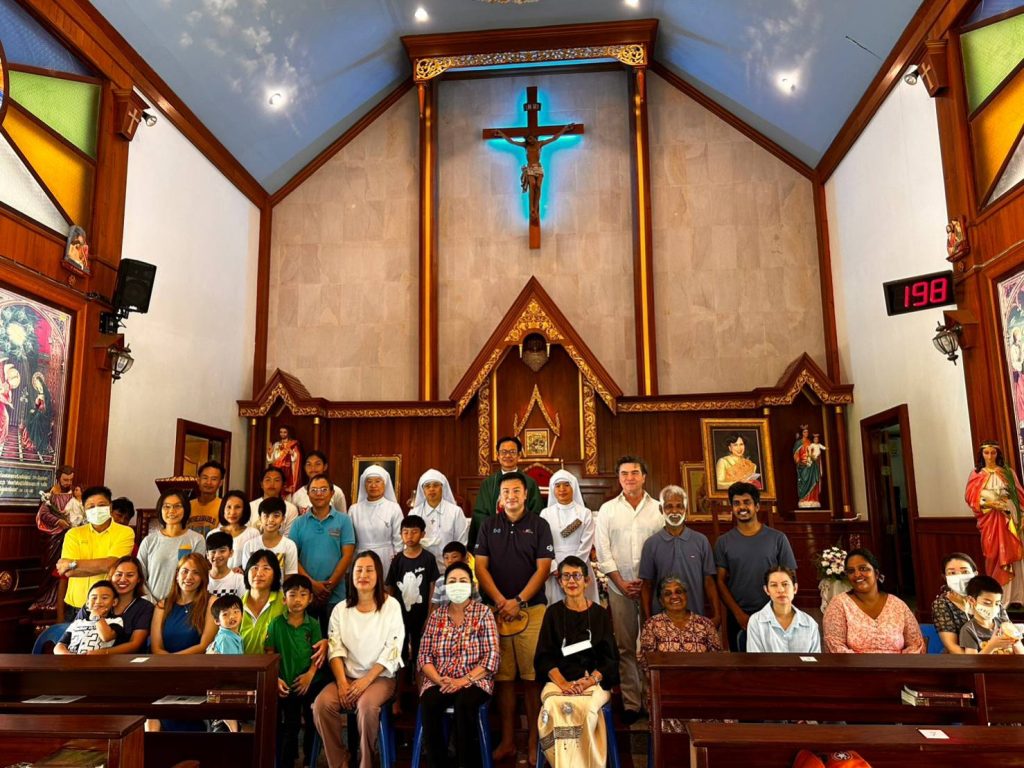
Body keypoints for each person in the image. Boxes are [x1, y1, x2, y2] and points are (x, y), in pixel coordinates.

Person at [475, 471, 554, 763]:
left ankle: (534, 742)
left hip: (532, 610)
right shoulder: (488, 525)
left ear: (526, 495)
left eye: (516, 491)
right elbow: (480, 567)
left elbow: (543, 568)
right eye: (506, 491)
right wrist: (500, 601)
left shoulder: (539, 525)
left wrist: (518, 601)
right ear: (500, 496)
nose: (511, 496)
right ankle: (508, 741)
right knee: (504, 679)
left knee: (532, 679)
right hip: (497, 612)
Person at [313, 551, 404, 768]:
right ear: (351, 575)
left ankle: (366, 762)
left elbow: (393, 649)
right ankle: (340, 761)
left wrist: (366, 681)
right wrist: (342, 683)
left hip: (380, 677)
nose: (363, 575)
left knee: (366, 707)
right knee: (322, 705)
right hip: (347, 677)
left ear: (378, 574)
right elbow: (335, 649)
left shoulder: (391, 606)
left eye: (369, 570)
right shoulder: (340, 609)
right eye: (359, 570)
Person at [594, 455, 662, 724]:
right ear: (619, 478)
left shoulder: (658, 509)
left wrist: (647, 582)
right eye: (624, 473)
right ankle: (632, 703)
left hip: (652, 588)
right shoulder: (608, 510)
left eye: (635, 472)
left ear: (644, 476)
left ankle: (652, 700)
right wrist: (620, 582)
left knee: (653, 644)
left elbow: (663, 547)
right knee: (625, 646)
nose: (630, 478)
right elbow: (603, 551)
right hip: (618, 586)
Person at [534, 556, 619, 768]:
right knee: (553, 706)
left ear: (586, 581)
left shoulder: (599, 614)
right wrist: (564, 684)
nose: (571, 581)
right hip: (559, 681)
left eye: (577, 576)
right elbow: (543, 657)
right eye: (566, 576)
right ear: (560, 582)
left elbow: (610, 659)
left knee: (586, 708)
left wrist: (589, 681)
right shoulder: (552, 613)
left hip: (593, 682)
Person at [417, 561, 499, 768]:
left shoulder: (484, 613)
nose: (457, 585)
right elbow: (424, 656)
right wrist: (438, 680)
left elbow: (491, 656)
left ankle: (467, 763)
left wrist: (463, 681)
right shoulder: (436, 616)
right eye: (452, 581)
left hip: (475, 680)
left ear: (471, 585)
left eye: (462, 581)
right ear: (445, 586)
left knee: (465, 703)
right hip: (441, 679)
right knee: (429, 702)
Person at [714, 481, 797, 650]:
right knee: (741, 663)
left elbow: (790, 577)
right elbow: (720, 582)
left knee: (774, 662)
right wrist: (738, 614)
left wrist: (778, 611)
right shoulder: (723, 542)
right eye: (736, 503)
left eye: (747, 502)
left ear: (757, 506)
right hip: (738, 616)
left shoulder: (778, 538)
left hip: (775, 614)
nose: (742, 507)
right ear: (732, 508)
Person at [266, 574, 329, 766]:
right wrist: (276, 678)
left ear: (310, 598)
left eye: (303, 595)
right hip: (287, 683)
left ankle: (310, 760)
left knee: (311, 723)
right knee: (290, 725)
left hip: (311, 682)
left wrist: (310, 675)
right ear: (284, 599)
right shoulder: (276, 624)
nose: (298, 600)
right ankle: (288, 761)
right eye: (292, 595)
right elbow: (270, 653)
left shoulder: (314, 624)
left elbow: (318, 654)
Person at [638, 578, 722, 712]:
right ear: (661, 601)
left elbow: (717, 660)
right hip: (666, 690)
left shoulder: (705, 624)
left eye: (679, 592)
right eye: (668, 594)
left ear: (686, 595)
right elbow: (646, 663)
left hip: (702, 688)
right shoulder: (652, 625)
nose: (674, 596)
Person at [639, 485, 719, 624]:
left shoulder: (701, 541)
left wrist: (717, 614)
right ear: (661, 509)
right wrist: (647, 619)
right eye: (669, 506)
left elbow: (709, 582)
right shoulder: (651, 544)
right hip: (662, 622)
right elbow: (646, 586)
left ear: (685, 509)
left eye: (679, 506)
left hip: (695, 618)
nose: (674, 511)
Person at [289, 473, 356, 634]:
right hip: (305, 592)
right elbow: (292, 557)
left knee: (334, 638)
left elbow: (347, 555)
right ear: (308, 494)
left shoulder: (344, 520)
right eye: (314, 490)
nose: (319, 494)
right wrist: (312, 584)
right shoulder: (298, 523)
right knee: (305, 638)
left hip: (335, 593)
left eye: (323, 489)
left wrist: (328, 587)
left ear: (332, 493)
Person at [823, 548, 925, 654]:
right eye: (851, 571)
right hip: (854, 664)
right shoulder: (839, 604)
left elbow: (916, 644)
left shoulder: (897, 605)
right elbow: (834, 645)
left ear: (876, 573)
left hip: (897, 664)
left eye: (863, 568)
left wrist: (899, 663)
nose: (857, 574)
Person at [57, 486, 135, 614]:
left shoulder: (125, 532)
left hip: (108, 607)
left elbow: (112, 564)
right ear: (84, 509)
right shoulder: (73, 534)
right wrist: (103, 565)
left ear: (110, 506)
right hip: (76, 607)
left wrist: (73, 564)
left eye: (101, 505)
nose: (96, 510)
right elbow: (68, 572)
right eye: (91, 506)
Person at [965, 441, 1024, 604]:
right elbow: (971, 499)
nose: (990, 456)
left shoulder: (1008, 473)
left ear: (998, 454)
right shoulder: (977, 474)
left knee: (1014, 555)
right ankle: (998, 598)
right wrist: (990, 503)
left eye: (993, 452)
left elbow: (1019, 495)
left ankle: (1017, 596)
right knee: (993, 555)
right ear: (982, 455)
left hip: (1009, 517)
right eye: (987, 453)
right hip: (990, 520)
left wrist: (1021, 515)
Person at [385, 515, 439, 680]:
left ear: (423, 534)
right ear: (400, 534)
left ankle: (419, 682)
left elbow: (432, 586)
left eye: (414, 532)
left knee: (420, 648)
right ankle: (400, 685)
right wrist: (388, 613)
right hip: (400, 615)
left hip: (422, 614)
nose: (409, 536)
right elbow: (390, 587)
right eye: (405, 532)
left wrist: (430, 613)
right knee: (400, 649)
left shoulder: (428, 558)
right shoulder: (398, 560)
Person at [471, 436, 543, 546]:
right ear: (498, 455)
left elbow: (536, 511)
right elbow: (480, 513)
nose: (508, 455)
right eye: (504, 452)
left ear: (519, 455)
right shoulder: (488, 483)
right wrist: (494, 530)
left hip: (522, 537)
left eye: (512, 452)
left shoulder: (529, 483)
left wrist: (518, 530)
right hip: (493, 538)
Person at [31, 465, 82, 618]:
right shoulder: (49, 494)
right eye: (65, 480)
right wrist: (58, 521)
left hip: (69, 537)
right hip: (53, 537)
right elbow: (44, 514)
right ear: (58, 478)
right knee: (49, 568)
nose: (68, 483)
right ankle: (44, 599)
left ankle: (58, 602)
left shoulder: (74, 495)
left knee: (63, 569)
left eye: (71, 480)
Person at [540, 469, 597, 604]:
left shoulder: (585, 513)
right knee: (556, 606)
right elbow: (543, 544)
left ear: (574, 487)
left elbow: (586, 544)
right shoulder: (545, 514)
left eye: (566, 485)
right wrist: (555, 568)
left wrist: (575, 569)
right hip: (554, 567)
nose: (562, 489)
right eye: (558, 486)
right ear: (552, 489)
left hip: (580, 565)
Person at [138, 490, 206, 601]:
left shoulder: (197, 540)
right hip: (151, 604)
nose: (171, 511)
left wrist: (180, 603)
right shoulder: (149, 541)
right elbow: (139, 577)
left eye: (177, 506)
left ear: (186, 509)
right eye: (166, 506)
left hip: (183, 604)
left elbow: (196, 576)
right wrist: (152, 603)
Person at [150, 553, 217, 654]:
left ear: (203, 578)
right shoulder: (162, 606)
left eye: (196, 573)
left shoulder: (211, 602)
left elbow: (204, 646)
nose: (189, 577)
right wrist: (171, 662)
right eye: (185, 571)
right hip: (165, 662)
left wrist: (174, 660)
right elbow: (156, 648)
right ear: (177, 575)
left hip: (198, 662)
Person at [745, 566, 820, 653]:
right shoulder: (756, 622)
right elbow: (756, 659)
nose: (780, 590)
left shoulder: (810, 623)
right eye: (774, 585)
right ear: (767, 590)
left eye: (785, 584)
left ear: (795, 588)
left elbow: (815, 660)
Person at [409, 468, 469, 572]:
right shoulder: (414, 513)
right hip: (421, 568)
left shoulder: (455, 512)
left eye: (436, 485)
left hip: (449, 568)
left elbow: (461, 542)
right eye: (427, 486)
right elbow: (408, 542)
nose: (431, 489)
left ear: (443, 488)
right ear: (423, 490)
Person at [932, 552, 992, 654]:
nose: (959, 576)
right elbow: (951, 646)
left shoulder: (990, 596)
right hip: (962, 659)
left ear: (975, 574)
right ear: (945, 577)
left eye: (965, 572)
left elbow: (1006, 628)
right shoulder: (942, 604)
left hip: (996, 653)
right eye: (952, 573)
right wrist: (977, 661)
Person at [349, 464, 404, 569]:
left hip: (387, 557)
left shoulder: (394, 508)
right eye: (369, 481)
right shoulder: (354, 510)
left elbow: (399, 539)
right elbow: (350, 540)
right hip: (361, 556)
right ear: (364, 484)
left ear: (385, 484)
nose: (373, 485)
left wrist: (398, 562)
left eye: (378, 481)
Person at [99, 555, 154, 655]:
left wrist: (103, 653)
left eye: (130, 575)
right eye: (119, 574)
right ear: (111, 576)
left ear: (139, 579)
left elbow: (135, 645)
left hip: (126, 662)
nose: (123, 579)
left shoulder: (145, 607)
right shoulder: (95, 601)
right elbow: (72, 634)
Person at [207, 593, 245, 734]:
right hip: (223, 688)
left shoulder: (233, 635)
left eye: (236, 612)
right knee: (227, 727)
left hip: (226, 687)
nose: (232, 617)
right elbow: (232, 668)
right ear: (217, 621)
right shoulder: (225, 638)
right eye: (225, 614)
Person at [54, 580, 124, 654]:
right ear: (87, 603)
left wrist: (97, 617)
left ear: (114, 602)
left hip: (98, 660)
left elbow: (106, 637)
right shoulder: (78, 623)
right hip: (72, 659)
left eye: (104, 598)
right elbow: (59, 646)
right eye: (94, 598)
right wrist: (68, 655)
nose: (98, 601)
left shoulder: (116, 621)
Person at [960, 574, 1024, 654]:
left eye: (997, 603)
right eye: (987, 603)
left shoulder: (1004, 623)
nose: (993, 607)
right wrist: (992, 646)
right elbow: (971, 660)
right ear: (972, 600)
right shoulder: (969, 630)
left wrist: (1015, 642)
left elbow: (1021, 655)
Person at [240, 549, 286, 655]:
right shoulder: (237, 605)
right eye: (255, 568)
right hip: (241, 664)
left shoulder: (284, 602)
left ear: (275, 574)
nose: (259, 573)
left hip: (276, 664)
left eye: (266, 568)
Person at [240, 497, 298, 576]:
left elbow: (290, 576)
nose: (271, 520)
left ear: (283, 519)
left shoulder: (289, 545)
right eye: (266, 516)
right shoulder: (249, 545)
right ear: (260, 518)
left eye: (276, 516)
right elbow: (247, 575)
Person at [291, 450, 348, 515]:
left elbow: (343, 517)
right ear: (304, 468)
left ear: (325, 466)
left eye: (317, 464)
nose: (313, 468)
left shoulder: (336, 492)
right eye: (309, 464)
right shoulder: (297, 495)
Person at [248, 466, 300, 535]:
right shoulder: (250, 507)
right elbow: (246, 534)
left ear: (283, 485)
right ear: (261, 484)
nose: (272, 484)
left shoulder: (291, 509)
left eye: (277, 480)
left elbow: (288, 536)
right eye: (268, 480)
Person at [217, 490, 260, 569]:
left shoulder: (253, 533)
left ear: (244, 510)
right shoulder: (213, 533)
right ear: (223, 508)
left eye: (237, 507)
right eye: (229, 507)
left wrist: (241, 570)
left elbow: (255, 561)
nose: (232, 512)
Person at [431, 541, 480, 610]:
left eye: (454, 557)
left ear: (464, 558)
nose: (450, 561)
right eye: (446, 557)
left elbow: (477, 603)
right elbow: (435, 605)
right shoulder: (440, 582)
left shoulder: (469, 581)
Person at [189, 460, 225, 536]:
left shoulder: (224, 506)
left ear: (220, 483)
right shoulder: (187, 505)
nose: (209, 482)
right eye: (205, 478)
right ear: (198, 480)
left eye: (214, 479)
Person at [206, 531, 246, 598]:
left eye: (222, 551)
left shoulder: (239, 580)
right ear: (207, 555)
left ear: (231, 553)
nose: (217, 555)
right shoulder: (202, 578)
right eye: (213, 551)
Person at [793, 426, 824, 508]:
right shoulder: (798, 443)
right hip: (803, 465)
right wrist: (800, 461)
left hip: (811, 465)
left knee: (813, 480)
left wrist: (815, 457)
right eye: (804, 432)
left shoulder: (810, 442)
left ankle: (813, 499)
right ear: (802, 433)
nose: (806, 433)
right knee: (804, 481)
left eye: (807, 432)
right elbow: (796, 454)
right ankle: (804, 499)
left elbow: (814, 452)